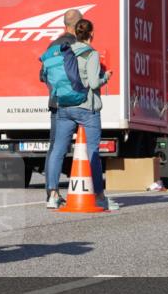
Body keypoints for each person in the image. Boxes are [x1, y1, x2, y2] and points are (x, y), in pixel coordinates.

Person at [43, 19, 116, 211]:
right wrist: (106, 77)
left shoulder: (64, 50)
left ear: (75, 33)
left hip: (64, 107)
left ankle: (53, 195)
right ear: (91, 34)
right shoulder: (90, 54)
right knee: (92, 151)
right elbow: (93, 83)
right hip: (86, 109)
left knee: (58, 150)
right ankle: (99, 197)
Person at [41, 9, 83, 205]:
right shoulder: (78, 45)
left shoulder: (52, 46)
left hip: (56, 101)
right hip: (78, 102)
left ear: (64, 24)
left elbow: (42, 75)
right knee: (87, 144)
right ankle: (93, 192)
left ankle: (52, 192)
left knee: (55, 147)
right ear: (80, 24)